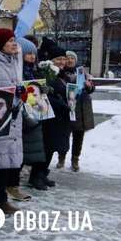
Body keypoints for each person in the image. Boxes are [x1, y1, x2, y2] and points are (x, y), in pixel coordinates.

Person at [0, 29, 23, 214]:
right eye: (9, 41)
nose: (14, 44)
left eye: (14, 40)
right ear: (0, 44)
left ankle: (1, 199)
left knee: (4, 161)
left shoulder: (13, 60)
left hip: (13, 116)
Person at [19, 39, 48, 190]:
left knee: (35, 147)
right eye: (28, 53)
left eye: (33, 54)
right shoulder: (19, 71)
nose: (31, 57)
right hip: (25, 114)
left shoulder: (33, 70)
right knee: (25, 148)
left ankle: (37, 176)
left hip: (36, 112)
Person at [40, 49, 72, 180]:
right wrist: (61, 104)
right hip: (50, 117)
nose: (62, 62)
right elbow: (44, 94)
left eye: (64, 59)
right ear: (51, 61)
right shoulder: (48, 74)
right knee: (47, 147)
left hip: (61, 117)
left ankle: (43, 174)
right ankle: (38, 175)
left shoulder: (63, 75)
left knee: (52, 148)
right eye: (58, 59)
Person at [64, 51, 95, 172]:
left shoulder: (83, 73)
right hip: (68, 107)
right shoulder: (61, 73)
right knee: (64, 134)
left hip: (81, 108)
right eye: (68, 58)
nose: (70, 60)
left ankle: (75, 159)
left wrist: (89, 86)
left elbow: (92, 88)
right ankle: (62, 157)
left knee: (78, 136)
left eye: (72, 58)